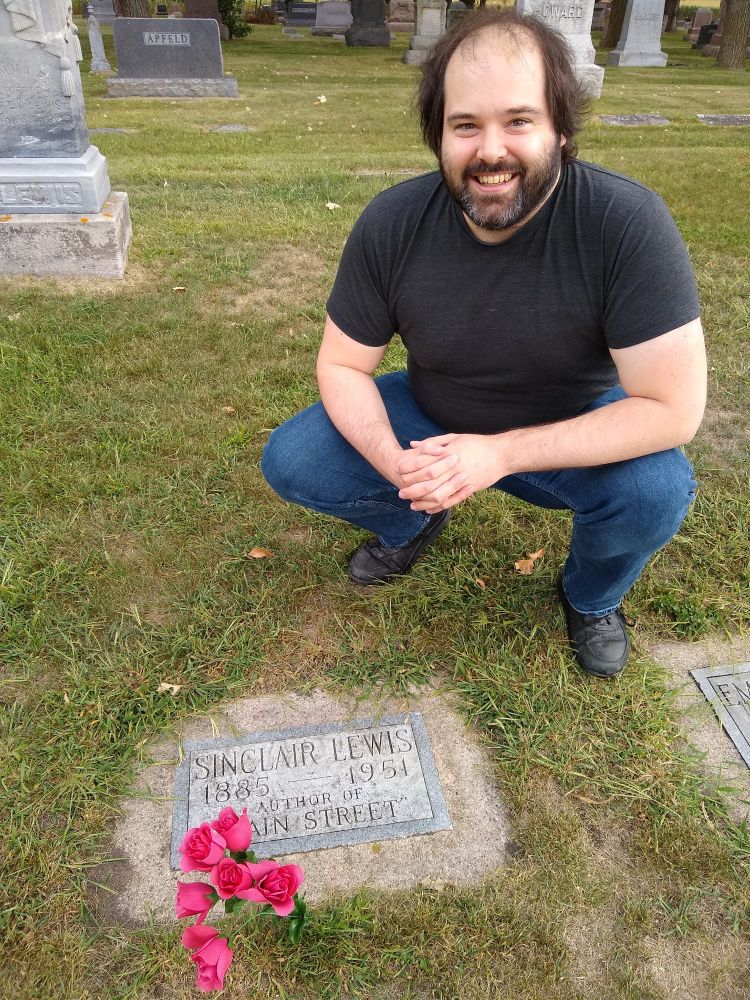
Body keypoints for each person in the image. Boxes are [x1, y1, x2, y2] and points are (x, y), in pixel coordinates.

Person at [261, 10, 706, 678]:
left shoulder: (624, 223)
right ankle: (414, 521)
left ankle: (590, 596)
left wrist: (499, 454)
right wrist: (397, 466)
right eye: (465, 125)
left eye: (518, 121)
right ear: (438, 134)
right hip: (433, 415)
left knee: (656, 491)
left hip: (571, 423)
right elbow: (343, 364)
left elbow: (673, 409)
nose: (490, 150)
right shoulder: (392, 223)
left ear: (560, 126)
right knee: (295, 459)